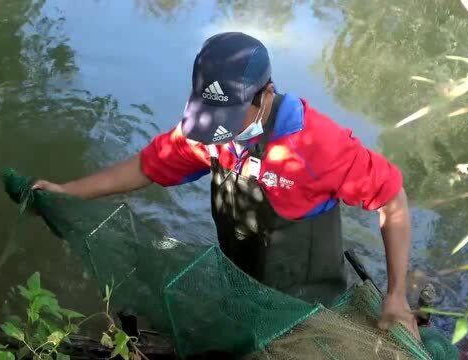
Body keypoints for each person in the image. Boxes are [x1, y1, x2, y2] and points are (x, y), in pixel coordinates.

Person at [33, 32, 420, 338]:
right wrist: (70, 192)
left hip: (309, 307)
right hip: (243, 288)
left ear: (265, 95)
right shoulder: (207, 134)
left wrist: (397, 294)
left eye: (230, 117)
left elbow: (393, 199)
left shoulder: (317, 146)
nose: (216, 133)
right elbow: (146, 166)